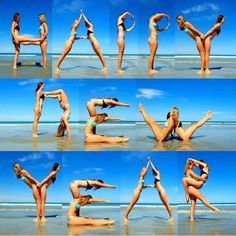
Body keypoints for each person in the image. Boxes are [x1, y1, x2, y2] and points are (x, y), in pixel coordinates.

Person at [148, 158, 173, 222]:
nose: (153, 172)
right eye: (153, 172)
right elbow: (155, 186)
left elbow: (153, 168)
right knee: (165, 204)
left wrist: (150, 161)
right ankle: (170, 217)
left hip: (161, 190)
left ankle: (171, 217)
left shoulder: (158, 173)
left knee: (166, 203)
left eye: (154, 171)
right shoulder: (155, 178)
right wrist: (147, 186)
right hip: (159, 191)